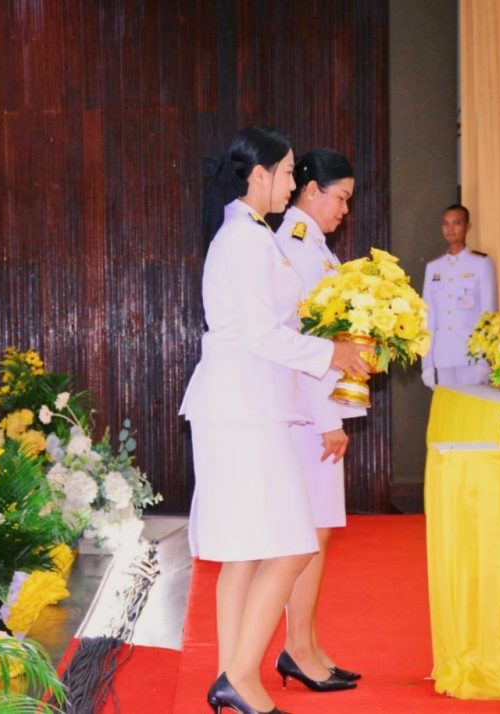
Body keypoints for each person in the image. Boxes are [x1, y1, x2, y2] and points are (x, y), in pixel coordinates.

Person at [180, 126, 370, 714]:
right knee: (290, 545)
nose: (293, 182)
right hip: (245, 409)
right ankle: (239, 678)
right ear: (258, 175)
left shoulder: (249, 234)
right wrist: (332, 353)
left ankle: (231, 677)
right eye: (287, 172)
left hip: (246, 405)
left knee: (245, 554)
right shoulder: (246, 240)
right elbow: (263, 334)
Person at [272, 148, 364, 693]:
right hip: (307, 414)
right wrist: (328, 417)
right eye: (341, 198)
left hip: (315, 409)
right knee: (309, 534)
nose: (345, 210)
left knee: (318, 532)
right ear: (311, 191)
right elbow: (304, 341)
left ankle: (304, 643)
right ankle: (298, 649)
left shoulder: (315, 247)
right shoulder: (298, 246)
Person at [420, 204, 498, 388]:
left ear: (467, 227)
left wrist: (485, 359)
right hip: (442, 355)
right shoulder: (434, 267)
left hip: (471, 354)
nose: (450, 229)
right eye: (446, 224)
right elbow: (428, 317)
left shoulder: (481, 263)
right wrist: (427, 363)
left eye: (456, 223)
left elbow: (488, 315)